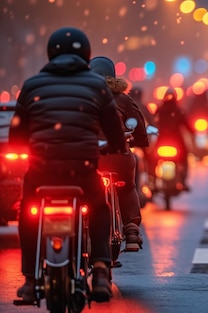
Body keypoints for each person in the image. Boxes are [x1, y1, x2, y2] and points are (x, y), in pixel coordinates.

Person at [9, 27, 127, 302]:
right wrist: (117, 147)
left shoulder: (32, 85)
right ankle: (99, 270)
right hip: (82, 168)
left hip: (42, 170)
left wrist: (26, 148)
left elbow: (17, 132)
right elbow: (114, 129)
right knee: (99, 207)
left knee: (27, 210)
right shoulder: (97, 86)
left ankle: (29, 279)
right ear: (86, 55)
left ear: (51, 53)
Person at [90, 56, 150, 251]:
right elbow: (139, 125)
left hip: (89, 157)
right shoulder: (122, 99)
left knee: (85, 189)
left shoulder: (84, 97)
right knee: (127, 187)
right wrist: (141, 141)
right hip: (118, 157)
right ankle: (131, 230)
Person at [154, 87, 195, 191]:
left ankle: (154, 181)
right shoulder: (178, 110)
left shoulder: (161, 110)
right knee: (152, 159)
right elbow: (187, 125)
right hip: (174, 141)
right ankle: (182, 181)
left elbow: (153, 122)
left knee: (153, 159)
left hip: (165, 141)